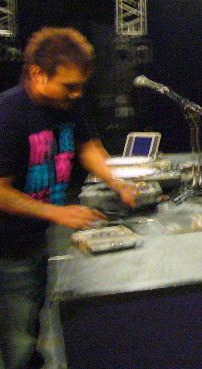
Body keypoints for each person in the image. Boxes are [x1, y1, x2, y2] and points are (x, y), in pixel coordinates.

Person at [0, 27, 138, 369]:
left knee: (31, 323)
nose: (76, 94)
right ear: (37, 74)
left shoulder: (67, 104)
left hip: (33, 238)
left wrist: (119, 182)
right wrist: (57, 213)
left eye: (81, 86)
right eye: (68, 86)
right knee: (18, 340)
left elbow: (88, 146)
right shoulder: (8, 114)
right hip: (5, 249)